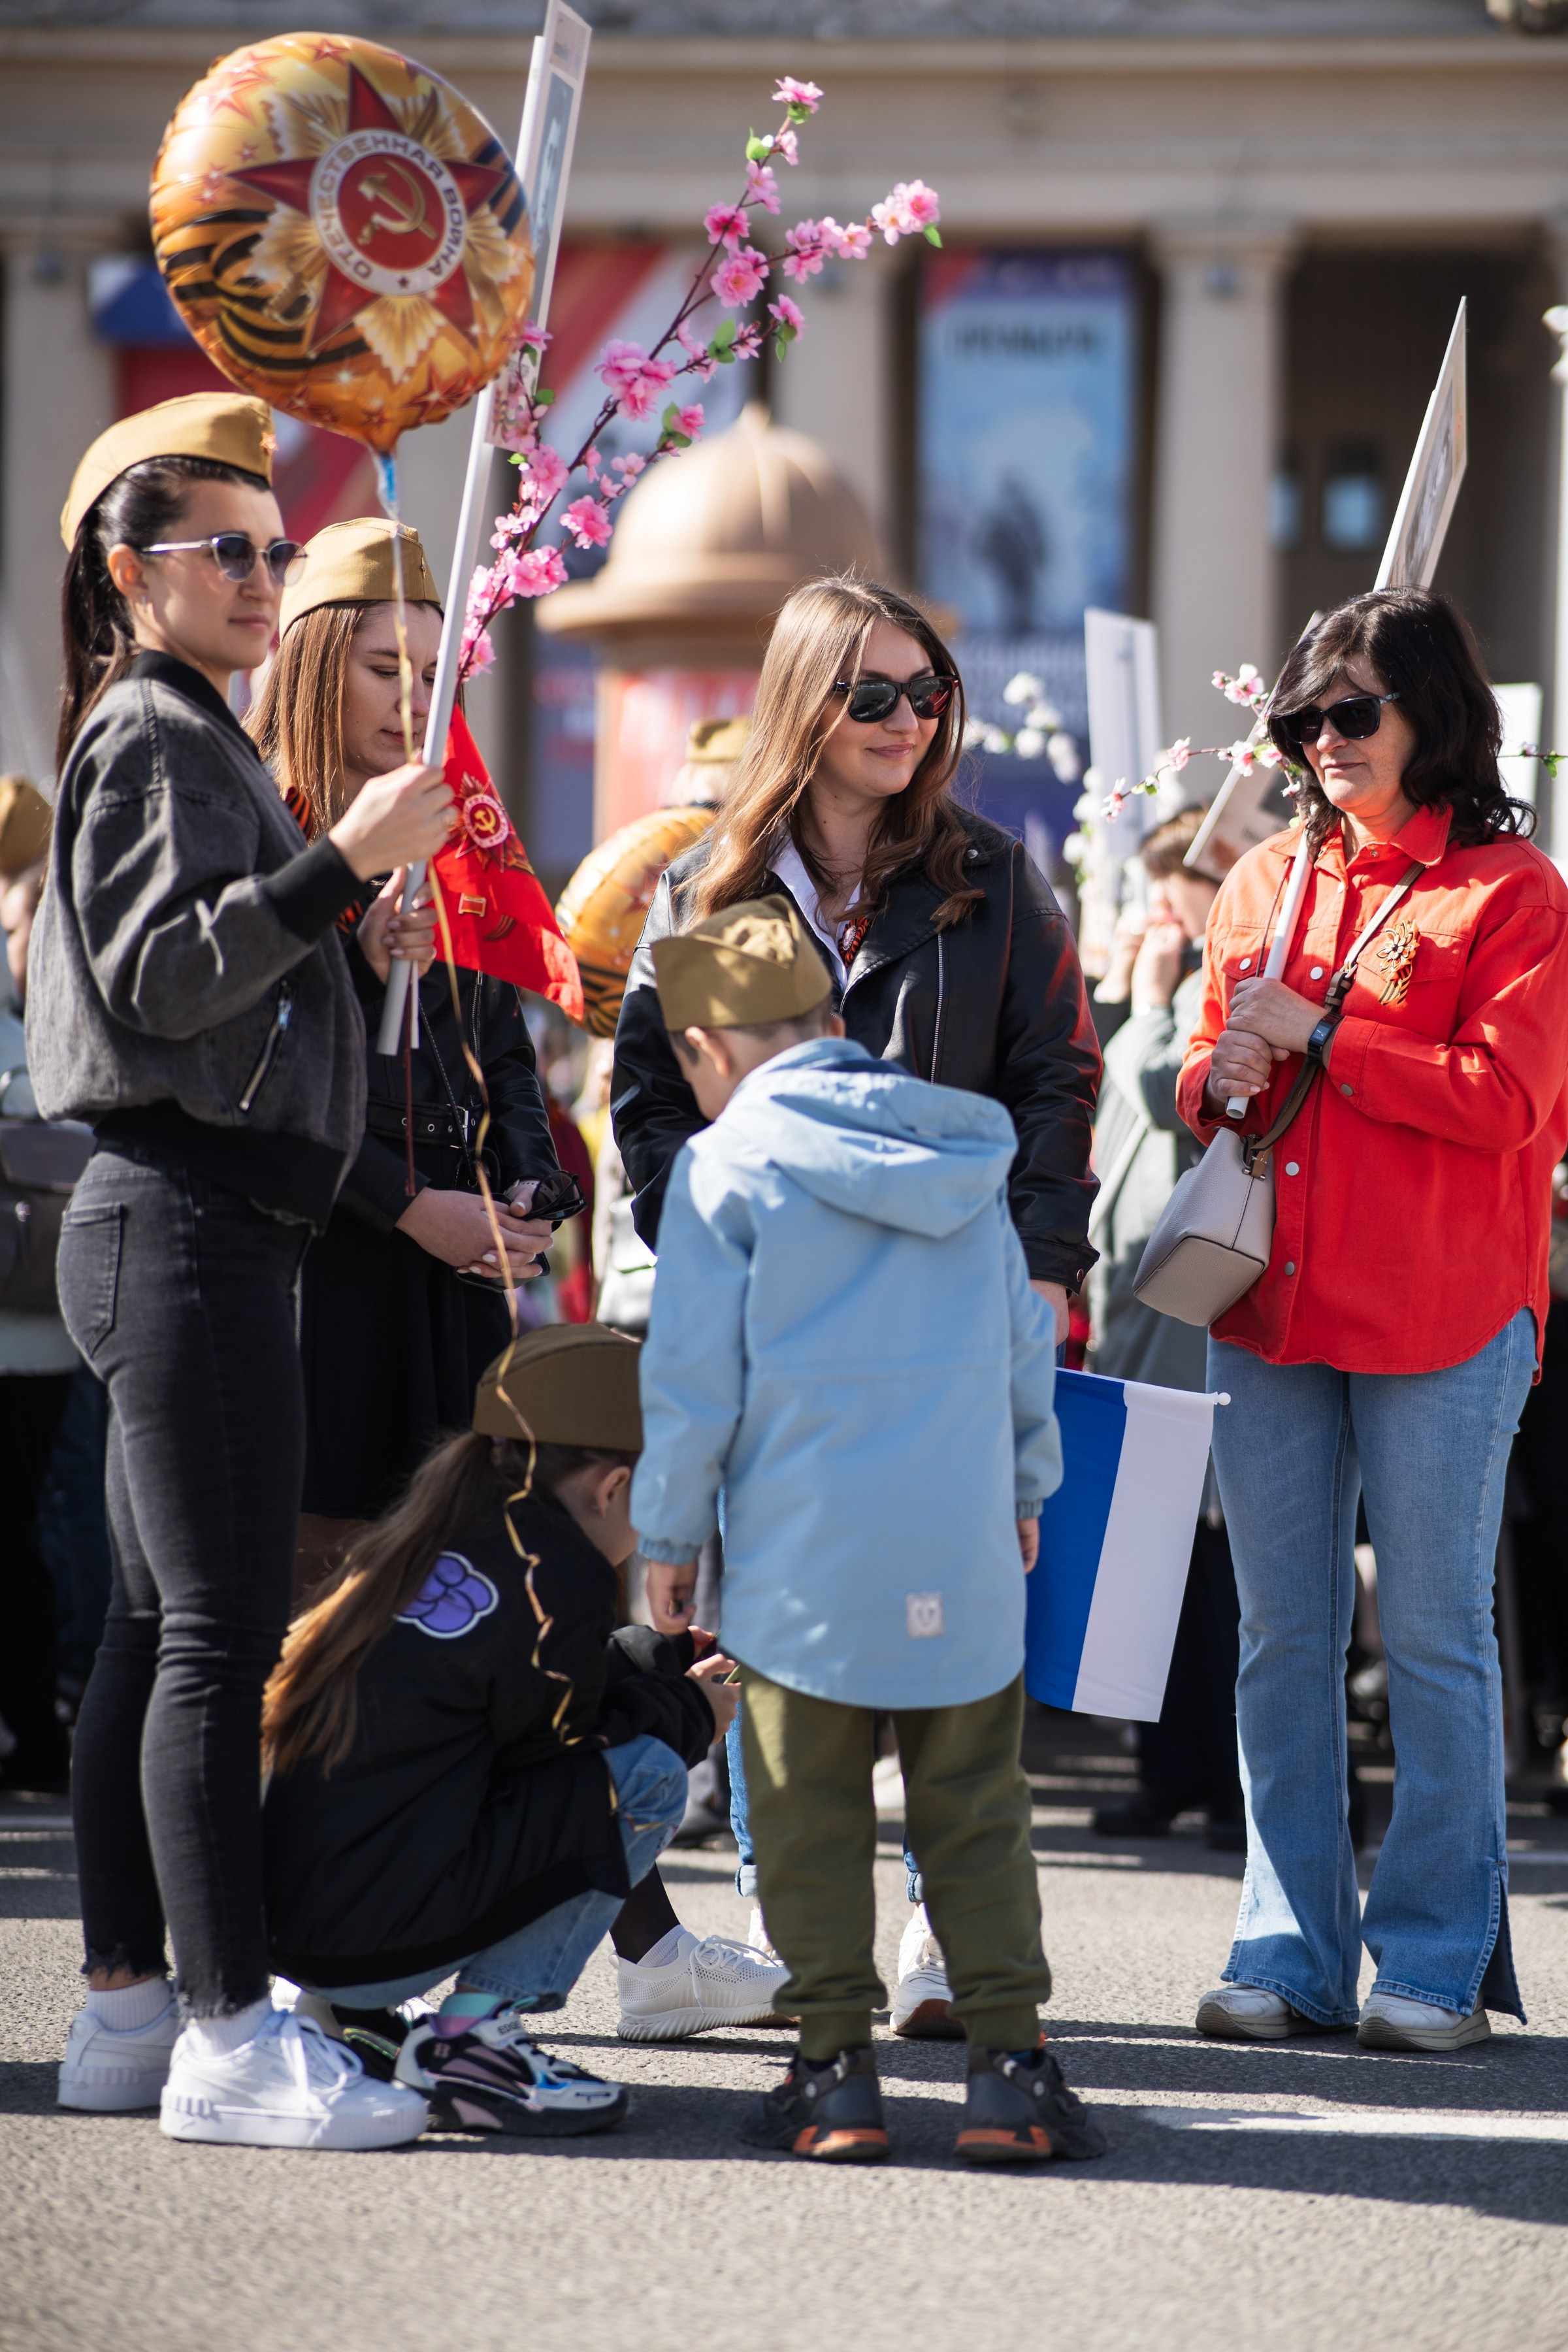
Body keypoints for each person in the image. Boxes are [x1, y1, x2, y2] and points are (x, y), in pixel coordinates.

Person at [34, 391, 451, 2148]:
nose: (266, 577)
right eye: (231, 551)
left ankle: (134, 2002)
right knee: (212, 1637)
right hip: (184, 1217)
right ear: (131, 572)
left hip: (186, 1217)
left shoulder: (175, 729)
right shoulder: (153, 731)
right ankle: (222, 2032)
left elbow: (226, 988)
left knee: (157, 1633)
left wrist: (349, 915)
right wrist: (338, 864)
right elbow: (160, 979)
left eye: (275, 550)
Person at [612, 575, 1101, 2025]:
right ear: (806, 703)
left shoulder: (993, 879)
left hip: (952, 1336)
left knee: (955, 1630)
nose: (909, 720)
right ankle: (795, 1926)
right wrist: (708, 1241)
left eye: (927, 691)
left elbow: (1056, 1084)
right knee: (777, 1636)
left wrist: (1042, 1272)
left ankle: (948, 1938)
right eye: (874, 693)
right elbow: (647, 1092)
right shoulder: (705, 889)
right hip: (778, 1338)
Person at [632, 896, 1105, 2166]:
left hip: (799, 1556)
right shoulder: (964, 1152)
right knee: (976, 1803)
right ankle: (1010, 2075)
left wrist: (667, 1535)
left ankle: (835, 2075)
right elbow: (1023, 1342)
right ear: (835, 1027)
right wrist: (1026, 1488)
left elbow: (691, 1378)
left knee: (805, 1804)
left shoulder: (722, 1167)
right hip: (959, 1535)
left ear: (708, 1052)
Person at [1179, 587, 1568, 2054]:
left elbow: (1513, 1101)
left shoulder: (1512, 891)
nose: (1324, 741)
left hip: (1450, 1308)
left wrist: (1330, 1034)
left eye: (1354, 713)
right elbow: (1217, 1073)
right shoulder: (1266, 878)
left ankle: (1432, 1959)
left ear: (1432, 714)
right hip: (1268, 1298)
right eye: (1303, 719)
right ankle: (1287, 1953)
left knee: (1436, 1640)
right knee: (1281, 1634)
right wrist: (1219, 1071)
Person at [261, 1325, 734, 2136]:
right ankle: (472, 2039)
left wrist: (651, 1660)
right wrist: (693, 1714)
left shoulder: (458, 1532)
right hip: (370, 1934)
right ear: (615, 1486)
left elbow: (529, 1697)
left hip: (305, 1929)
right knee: (649, 1774)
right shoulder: (562, 1576)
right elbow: (566, 1757)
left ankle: (353, 2018)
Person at [246, 518, 562, 1593]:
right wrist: (412, 1206)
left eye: (435, 671)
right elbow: (266, 1078)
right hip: (331, 1253)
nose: (414, 697)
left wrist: (525, 1184)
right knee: (317, 1575)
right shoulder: (268, 841)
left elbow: (500, 1041)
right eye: (386, 669)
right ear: (317, 667)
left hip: (457, 1263)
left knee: (445, 1579)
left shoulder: (450, 827)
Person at [1084, 806, 1243, 1849]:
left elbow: (1169, 1095)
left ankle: (1229, 1783)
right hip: (1137, 1321)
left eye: (1177, 895)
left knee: (1221, 1576)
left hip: (1197, 1321)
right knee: (1152, 1571)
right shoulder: (1160, 981)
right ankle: (1167, 1771)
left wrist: (1147, 1001)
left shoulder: (1216, 983)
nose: (1162, 920)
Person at [0, 777, 79, 1792]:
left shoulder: (52, 1027)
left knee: (26, 1534)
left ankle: (36, 1724)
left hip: (47, 1331)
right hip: (54, 1320)